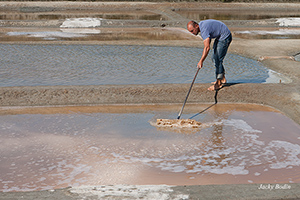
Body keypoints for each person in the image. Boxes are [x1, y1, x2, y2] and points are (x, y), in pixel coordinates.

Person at [187, 19, 232, 91]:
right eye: (190, 32)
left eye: (192, 30)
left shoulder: (203, 29)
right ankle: (222, 79)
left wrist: (201, 61)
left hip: (225, 37)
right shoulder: (202, 27)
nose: (192, 33)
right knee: (214, 58)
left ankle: (219, 83)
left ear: (196, 26)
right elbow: (209, 38)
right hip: (219, 36)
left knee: (218, 60)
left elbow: (207, 47)